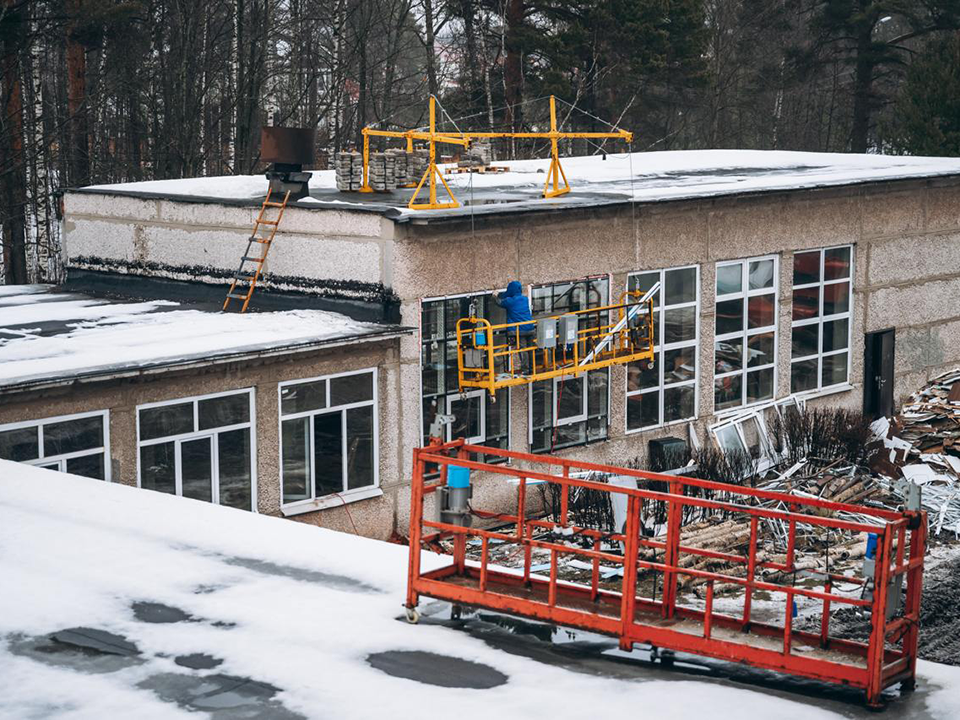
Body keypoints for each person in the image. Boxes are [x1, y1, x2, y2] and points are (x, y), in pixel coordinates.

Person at [496, 281, 536, 375]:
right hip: (530, 328)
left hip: (520, 330)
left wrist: (495, 295)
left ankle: (526, 370)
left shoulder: (510, 301)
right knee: (530, 349)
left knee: (523, 350)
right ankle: (531, 369)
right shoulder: (525, 299)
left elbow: (499, 302)